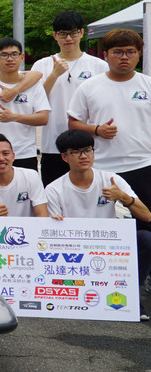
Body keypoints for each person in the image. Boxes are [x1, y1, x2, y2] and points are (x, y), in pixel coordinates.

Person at [46, 129, 151, 319]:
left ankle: (132, 293)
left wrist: (123, 197)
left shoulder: (111, 180)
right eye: (76, 152)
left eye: (88, 150)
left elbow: (146, 216)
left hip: (109, 246)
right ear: (64, 157)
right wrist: (55, 222)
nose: (84, 156)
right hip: (75, 248)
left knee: (146, 238)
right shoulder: (54, 189)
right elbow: (51, 232)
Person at [67, 28, 151, 237]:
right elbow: (73, 123)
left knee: (146, 223)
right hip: (101, 166)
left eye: (130, 52)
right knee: (99, 227)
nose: (124, 57)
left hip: (142, 163)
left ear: (139, 54)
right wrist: (97, 130)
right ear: (105, 55)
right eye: (117, 52)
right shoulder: (89, 87)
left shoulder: (147, 84)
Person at [31, 11, 108, 186]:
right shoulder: (42, 65)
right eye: (63, 34)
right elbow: (36, 101)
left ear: (81, 33)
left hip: (87, 145)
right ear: (55, 36)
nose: (68, 38)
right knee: (52, 192)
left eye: (73, 33)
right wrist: (54, 75)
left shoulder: (99, 66)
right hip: (52, 144)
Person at [0, 37, 49, 172]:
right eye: (4, 55)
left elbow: (43, 118)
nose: (10, 59)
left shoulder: (34, 86)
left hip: (25, 153)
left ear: (22, 57)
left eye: (14, 54)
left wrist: (14, 117)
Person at [0, 133, 48, 246]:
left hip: (29, 240)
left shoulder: (30, 176)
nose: (1, 158)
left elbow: (42, 216)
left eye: (6, 153)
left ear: (13, 156)